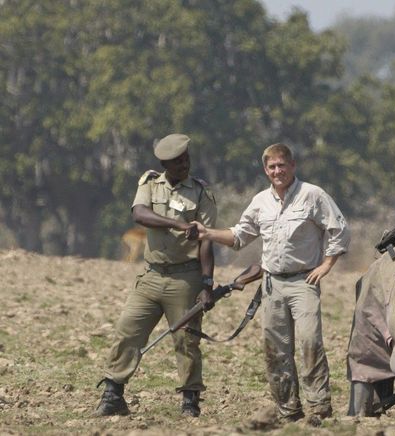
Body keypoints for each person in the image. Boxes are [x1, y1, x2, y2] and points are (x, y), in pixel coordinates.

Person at [192, 143, 350, 423]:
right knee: (276, 349)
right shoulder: (260, 201)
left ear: (292, 166)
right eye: (272, 167)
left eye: (282, 165)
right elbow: (240, 236)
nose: (277, 171)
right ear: (266, 170)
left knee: (310, 341)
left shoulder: (312, 195)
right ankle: (289, 410)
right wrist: (208, 233)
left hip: (304, 280)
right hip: (272, 283)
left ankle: (319, 409)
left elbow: (338, 228)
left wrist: (327, 264)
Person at [95, 133, 217, 417]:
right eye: (177, 162)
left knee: (187, 341)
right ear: (165, 164)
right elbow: (139, 215)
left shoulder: (201, 192)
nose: (184, 165)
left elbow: (207, 241)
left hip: (185, 277)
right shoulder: (150, 183)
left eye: (186, 159)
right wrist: (177, 223)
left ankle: (190, 402)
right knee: (127, 331)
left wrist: (207, 284)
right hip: (151, 276)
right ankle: (113, 394)